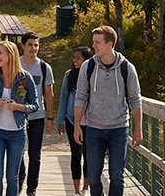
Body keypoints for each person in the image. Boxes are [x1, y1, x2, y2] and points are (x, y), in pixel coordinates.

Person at [74, 26, 142, 196]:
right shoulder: (88, 67)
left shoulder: (127, 68)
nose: (93, 46)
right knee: (93, 177)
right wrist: (77, 125)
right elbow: (80, 97)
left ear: (110, 44)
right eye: (93, 42)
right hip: (94, 128)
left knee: (117, 176)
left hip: (119, 128)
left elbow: (135, 99)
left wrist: (138, 129)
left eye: (97, 42)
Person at [0, 41, 39, 196]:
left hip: (17, 133)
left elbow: (35, 105)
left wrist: (19, 107)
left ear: (10, 55)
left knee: (12, 177)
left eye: (0, 53)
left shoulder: (25, 78)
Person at [18, 32, 55, 196]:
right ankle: (19, 179)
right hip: (17, 116)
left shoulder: (44, 68)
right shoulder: (15, 65)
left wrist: (50, 118)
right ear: (23, 46)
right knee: (18, 153)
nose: (33, 48)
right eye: (30, 45)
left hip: (37, 117)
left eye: (36, 45)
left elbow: (49, 95)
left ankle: (32, 188)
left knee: (35, 154)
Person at [59, 46, 94, 196]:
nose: (75, 61)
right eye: (74, 58)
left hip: (90, 121)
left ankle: (86, 188)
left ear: (86, 60)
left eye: (78, 58)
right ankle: (76, 191)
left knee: (88, 156)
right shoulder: (69, 75)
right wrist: (60, 121)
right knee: (75, 155)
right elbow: (63, 98)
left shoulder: (93, 75)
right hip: (71, 120)